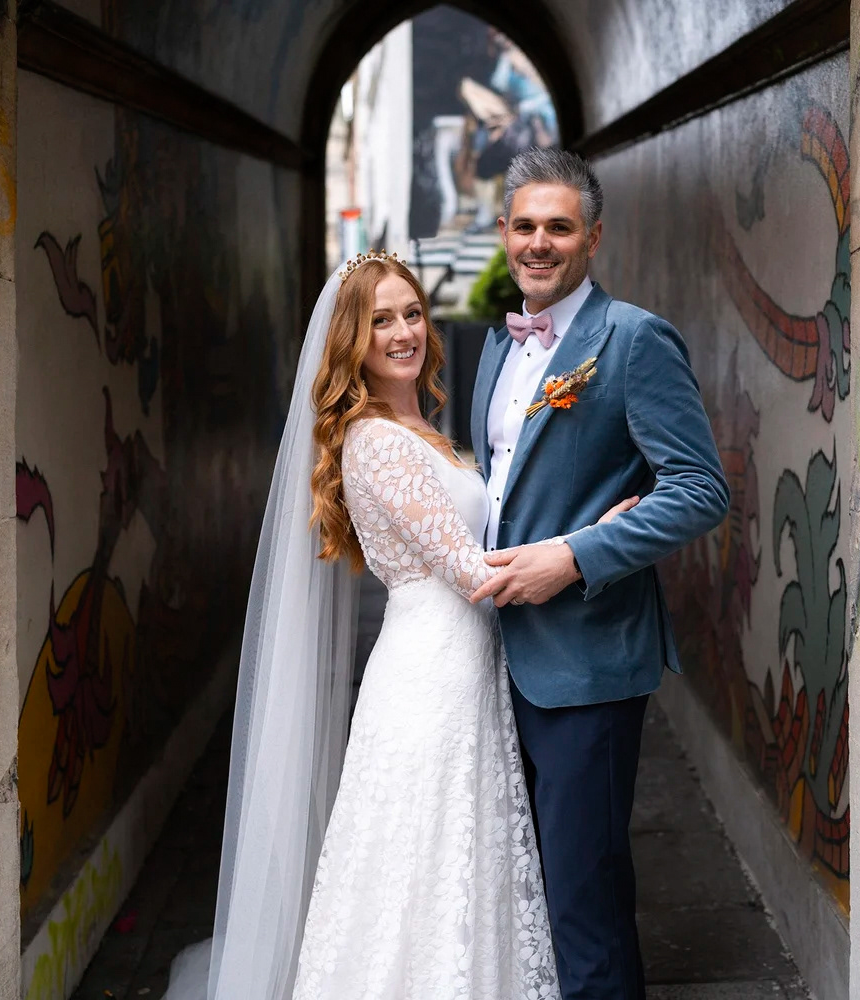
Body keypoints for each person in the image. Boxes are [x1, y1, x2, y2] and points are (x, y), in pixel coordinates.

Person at [162, 250, 639, 1000]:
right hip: (429, 679)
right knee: (423, 858)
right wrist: (594, 542)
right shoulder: (378, 443)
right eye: (380, 320)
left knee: (462, 854)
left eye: (412, 314)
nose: (403, 332)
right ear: (353, 341)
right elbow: (475, 574)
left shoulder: (420, 427)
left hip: (463, 668)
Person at [467, 147, 728, 1000]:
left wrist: (577, 555)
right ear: (504, 233)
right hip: (489, 657)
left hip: (587, 659)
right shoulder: (496, 348)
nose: (539, 243)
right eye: (525, 226)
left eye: (560, 227)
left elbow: (700, 489)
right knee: (522, 883)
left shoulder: (633, 339)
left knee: (585, 895)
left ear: (594, 237)